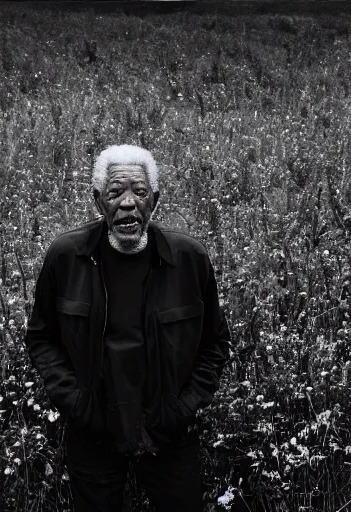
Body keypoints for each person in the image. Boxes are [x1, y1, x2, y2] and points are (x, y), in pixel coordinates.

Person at [24, 144, 231, 511]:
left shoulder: (189, 259)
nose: (128, 204)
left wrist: (181, 409)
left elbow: (215, 343)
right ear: (98, 201)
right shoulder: (66, 257)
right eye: (115, 193)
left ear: (156, 199)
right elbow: (41, 337)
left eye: (139, 192)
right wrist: (77, 404)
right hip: (94, 433)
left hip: (169, 432)